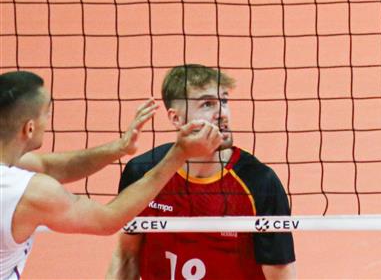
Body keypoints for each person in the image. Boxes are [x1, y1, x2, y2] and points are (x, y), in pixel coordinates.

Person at [0, 70, 221, 280]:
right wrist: (179, 154)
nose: (49, 119)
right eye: (46, 113)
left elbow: (49, 166)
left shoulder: (14, 168)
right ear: (29, 128)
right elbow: (109, 219)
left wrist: (119, 147)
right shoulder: (31, 193)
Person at [107, 64, 296, 280]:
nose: (222, 114)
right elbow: (126, 255)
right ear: (176, 118)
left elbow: (281, 275)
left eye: (224, 101)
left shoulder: (259, 183)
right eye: (207, 104)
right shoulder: (142, 173)